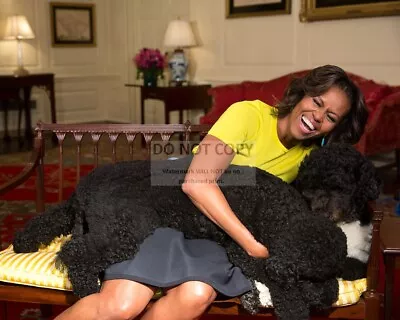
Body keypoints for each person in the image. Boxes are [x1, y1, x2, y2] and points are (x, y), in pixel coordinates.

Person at [55, 64, 368, 320]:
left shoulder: (310, 159)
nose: (317, 116)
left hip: (219, 239)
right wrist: (251, 244)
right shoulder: (249, 115)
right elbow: (196, 182)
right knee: (121, 306)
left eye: (330, 117)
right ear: (302, 93)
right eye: (317, 102)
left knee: (196, 295)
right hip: (170, 210)